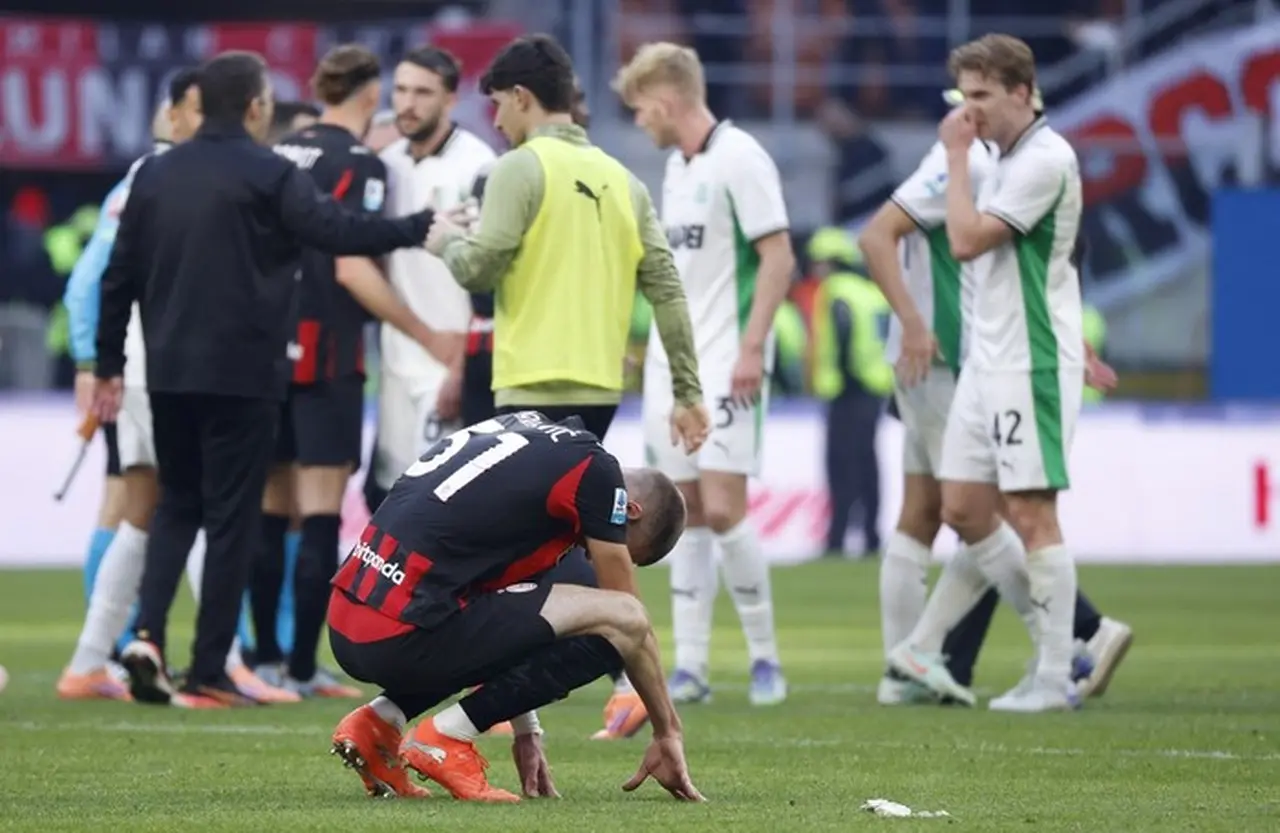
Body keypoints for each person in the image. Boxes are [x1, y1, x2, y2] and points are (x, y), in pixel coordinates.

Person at [92, 49, 436, 707]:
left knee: (176, 506)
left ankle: (146, 635)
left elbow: (119, 276)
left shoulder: (155, 174)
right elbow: (336, 231)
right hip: (245, 372)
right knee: (232, 518)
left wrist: (109, 362)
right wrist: (416, 227)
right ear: (256, 107)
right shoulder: (268, 173)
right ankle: (208, 667)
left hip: (167, 370)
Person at [860, 118, 1132, 706]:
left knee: (928, 511)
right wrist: (912, 323)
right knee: (983, 509)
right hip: (946, 359)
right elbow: (876, 236)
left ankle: (907, 665)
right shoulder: (969, 163)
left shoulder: (990, 163)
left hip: (947, 359)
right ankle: (1073, 638)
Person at [327, 411, 703, 804]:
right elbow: (631, 623)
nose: (593, 555)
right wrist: (667, 731)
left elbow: (505, 618)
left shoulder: (528, 431)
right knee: (617, 620)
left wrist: (527, 729)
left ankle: (379, 722)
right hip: (399, 631)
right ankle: (446, 738)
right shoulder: (598, 476)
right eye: (627, 552)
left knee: (569, 596)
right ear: (630, 511)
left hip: (350, 620)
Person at [248, 45, 459, 700]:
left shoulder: (279, 154)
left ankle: (263, 658)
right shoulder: (360, 163)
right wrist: (427, 333)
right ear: (370, 97)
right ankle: (303, 667)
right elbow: (352, 261)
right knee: (316, 513)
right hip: (327, 355)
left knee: (268, 511)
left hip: (263, 352)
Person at [611, 41, 795, 707]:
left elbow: (778, 258)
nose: (640, 122)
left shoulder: (741, 158)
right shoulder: (676, 169)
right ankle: (691, 666)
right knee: (683, 513)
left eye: (640, 110)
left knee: (724, 507)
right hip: (674, 366)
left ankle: (766, 658)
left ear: (665, 100)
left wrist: (752, 347)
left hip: (728, 363)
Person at [424, 34, 709, 453]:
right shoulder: (625, 181)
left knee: (523, 519)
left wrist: (447, 242)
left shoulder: (517, 167)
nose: (498, 121)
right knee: (571, 515)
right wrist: (687, 393)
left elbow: (478, 270)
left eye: (499, 104)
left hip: (529, 388)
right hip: (601, 392)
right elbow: (667, 292)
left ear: (521, 97)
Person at [366, 46, 494, 515]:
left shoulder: (477, 167)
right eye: (400, 90)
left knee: (443, 508)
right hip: (397, 362)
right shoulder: (386, 164)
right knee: (389, 499)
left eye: (422, 92)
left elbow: (490, 279)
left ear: (450, 100)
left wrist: (461, 367)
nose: (408, 103)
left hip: (451, 361)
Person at [806, 230, 893, 559]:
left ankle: (838, 537)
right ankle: (871, 534)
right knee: (868, 465)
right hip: (875, 388)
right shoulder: (872, 291)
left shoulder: (837, 290)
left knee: (841, 467)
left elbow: (842, 333)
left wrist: (841, 377)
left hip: (847, 391)